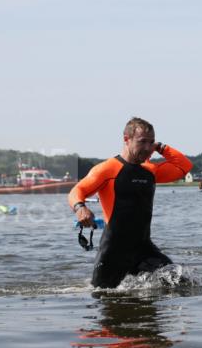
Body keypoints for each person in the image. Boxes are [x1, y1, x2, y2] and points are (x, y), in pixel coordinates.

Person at [69, 117, 192, 288]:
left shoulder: (150, 170)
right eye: (142, 142)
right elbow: (77, 190)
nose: (148, 148)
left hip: (144, 249)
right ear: (126, 139)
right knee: (103, 296)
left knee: (182, 283)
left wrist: (161, 147)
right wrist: (80, 207)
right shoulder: (107, 169)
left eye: (151, 142)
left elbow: (184, 166)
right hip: (113, 253)